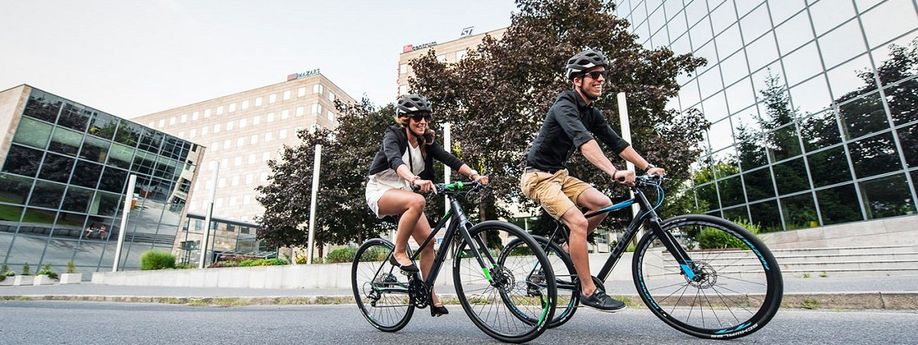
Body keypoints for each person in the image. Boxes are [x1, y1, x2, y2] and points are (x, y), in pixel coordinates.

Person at [520, 48, 666, 312]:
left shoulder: (591, 112)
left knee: (602, 203)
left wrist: (648, 166)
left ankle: (567, 246)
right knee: (577, 221)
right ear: (577, 80)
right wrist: (613, 172)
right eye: (594, 75)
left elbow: (617, 143)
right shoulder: (564, 105)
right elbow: (585, 143)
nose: (601, 80)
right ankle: (588, 290)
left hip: (559, 175)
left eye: (603, 75)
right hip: (537, 177)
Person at [366, 94, 489, 317]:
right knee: (417, 200)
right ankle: (399, 252)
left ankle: (429, 292)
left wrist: (474, 174)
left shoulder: (426, 141)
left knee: (429, 242)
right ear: (404, 119)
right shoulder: (393, 135)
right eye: (417, 118)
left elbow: (448, 158)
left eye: (426, 117)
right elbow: (395, 161)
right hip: (381, 190)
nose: (422, 121)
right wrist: (414, 180)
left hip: (404, 192)